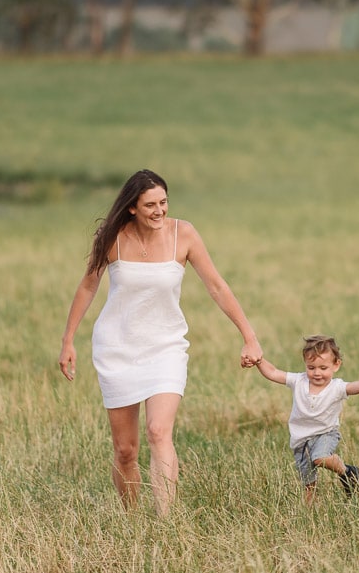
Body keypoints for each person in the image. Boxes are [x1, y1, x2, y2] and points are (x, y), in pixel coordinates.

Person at [58, 169, 263, 517]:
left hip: (166, 347)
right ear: (133, 207)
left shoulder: (184, 234)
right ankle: (133, 521)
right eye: (150, 204)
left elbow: (217, 285)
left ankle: (167, 521)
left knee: (158, 431)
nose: (159, 211)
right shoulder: (114, 237)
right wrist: (68, 341)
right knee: (125, 450)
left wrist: (249, 336)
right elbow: (88, 286)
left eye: (163, 202)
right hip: (116, 348)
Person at [254, 335, 359, 503]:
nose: (317, 373)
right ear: (305, 364)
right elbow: (273, 372)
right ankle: (309, 514)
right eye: (311, 367)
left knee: (320, 457)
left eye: (323, 368)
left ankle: (347, 472)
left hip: (325, 434)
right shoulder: (298, 381)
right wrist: (258, 361)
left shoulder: (337, 387)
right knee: (309, 483)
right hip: (300, 441)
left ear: (336, 365)